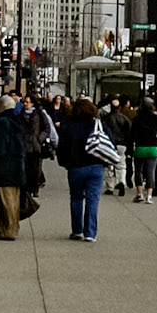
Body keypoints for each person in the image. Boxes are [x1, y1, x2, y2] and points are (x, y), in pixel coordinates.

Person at [55, 96, 106, 242]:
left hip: (76, 167)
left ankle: (77, 230)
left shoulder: (69, 127)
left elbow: (62, 149)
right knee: (93, 199)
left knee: (76, 198)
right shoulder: (98, 125)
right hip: (96, 166)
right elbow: (109, 143)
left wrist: (65, 164)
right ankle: (90, 233)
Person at [0, 93, 26, 239]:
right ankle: (11, 228)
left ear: (2, 106)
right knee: (14, 201)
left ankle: (7, 230)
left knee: (6, 201)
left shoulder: (2, 122)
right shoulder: (18, 121)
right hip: (17, 165)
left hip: (5, 167)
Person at [129, 97, 157, 202]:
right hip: (153, 147)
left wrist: (130, 149)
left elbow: (132, 135)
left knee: (138, 171)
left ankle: (139, 193)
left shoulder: (137, 118)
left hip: (140, 147)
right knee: (151, 172)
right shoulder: (156, 118)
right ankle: (149, 195)